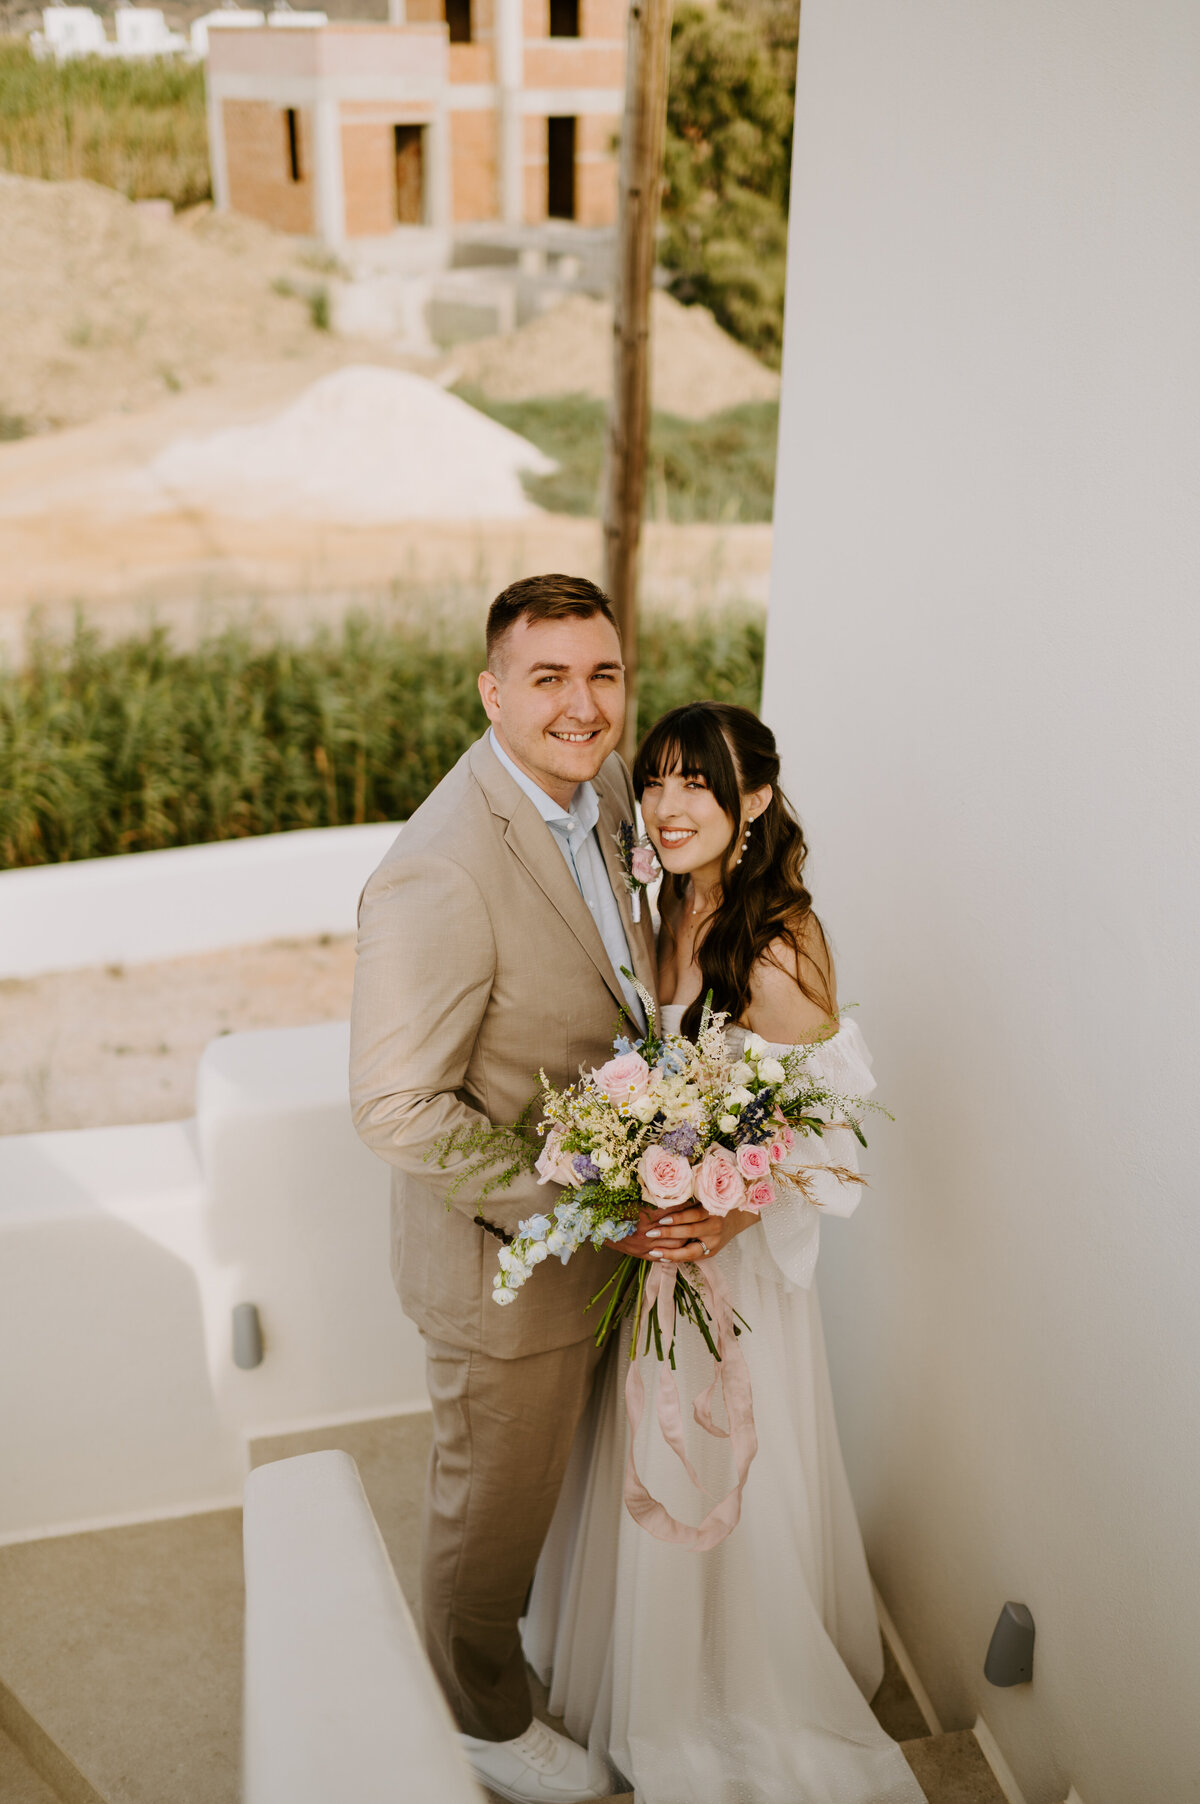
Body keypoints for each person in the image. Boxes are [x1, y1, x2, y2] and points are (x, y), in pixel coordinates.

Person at [522, 702, 926, 1804]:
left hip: (730, 1272)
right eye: (653, 781)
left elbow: (828, 1133)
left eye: (696, 782)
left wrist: (731, 1214)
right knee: (649, 1453)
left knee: (720, 1470)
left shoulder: (779, 937)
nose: (667, 804)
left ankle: (726, 1688)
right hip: (657, 1255)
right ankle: (652, 1668)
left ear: (752, 800)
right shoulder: (663, 909)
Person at [349, 574, 657, 1804]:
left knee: (574, 1488)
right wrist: (578, 1203)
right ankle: (478, 1715)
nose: (583, 706)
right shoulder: (438, 868)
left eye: (604, 674)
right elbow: (394, 1106)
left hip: (624, 1232)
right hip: (504, 1267)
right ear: (492, 691)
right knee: (492, 1512)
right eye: (548, 678)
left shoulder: (615, 788)